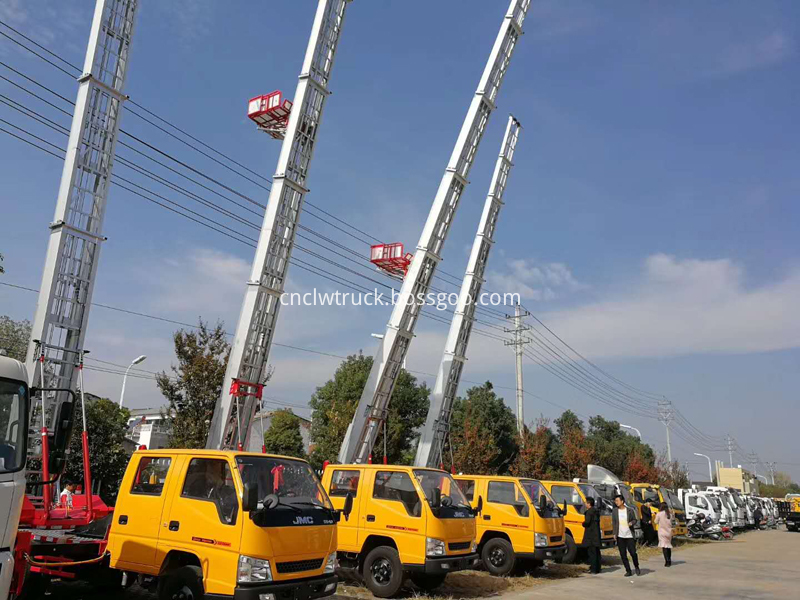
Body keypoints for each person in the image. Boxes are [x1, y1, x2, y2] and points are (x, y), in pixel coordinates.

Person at [612, 494, 641, 576]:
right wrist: (614, 533)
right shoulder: (614, 511)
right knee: (623, 554)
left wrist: (632, 523)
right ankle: (628, 570)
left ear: (622, 501)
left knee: (633, 553)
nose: (616, 502)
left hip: (629, 536)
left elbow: (635, 519)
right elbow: (614, 522)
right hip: (620, 536)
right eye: (615, 501)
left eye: (617, 500)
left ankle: (636, 567)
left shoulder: (629, 510)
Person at [582, 496, 602, 574]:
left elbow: (587, 522)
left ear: (589, 504)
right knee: (597, 552)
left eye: (586, 502)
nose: (585, 504)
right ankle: (598, 568)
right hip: (596, 535)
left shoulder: (589, 512)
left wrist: (583, 524)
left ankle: (593, 569)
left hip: (591, 536)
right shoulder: (596, 511)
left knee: (591, 553)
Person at [654, 501, 674, 566]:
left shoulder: (659, 514)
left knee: (664, 546)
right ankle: (669, 560)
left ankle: (666, 561)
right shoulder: (670, 514)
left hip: (662, 532)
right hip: (669, 532)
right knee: (668, 546)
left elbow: (655, 522)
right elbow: (673, 520)